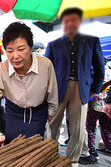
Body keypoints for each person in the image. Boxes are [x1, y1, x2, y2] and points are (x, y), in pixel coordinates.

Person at [0, 22, 58, 146]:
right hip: (13, 115)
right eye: (9, 51)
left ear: (31, 48)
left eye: (21, 49)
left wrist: (47, 118)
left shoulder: (45, 65)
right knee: (11, 149)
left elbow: (53, 97)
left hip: (38, 115)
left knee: (35, 153)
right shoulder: (2, 68)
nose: (15, 56)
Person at [45, 8, 105, 164]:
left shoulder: (92, 41)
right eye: (67, 21)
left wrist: (93, 90)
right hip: (57, 90)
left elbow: (100, 68)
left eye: (74, 20)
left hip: (81, 90)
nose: (70, 23)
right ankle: (50, 157)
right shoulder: (53, 44)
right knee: (52, 126)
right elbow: (46, 69)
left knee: (77, 130)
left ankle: (72, 161)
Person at [86, 60, 111, 159]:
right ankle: (109, 146)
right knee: (106, 127)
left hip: (96, 105)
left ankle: (92, 150)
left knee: (91, 128)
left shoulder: (96, 73)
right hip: (107, 105)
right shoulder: (109, 71)